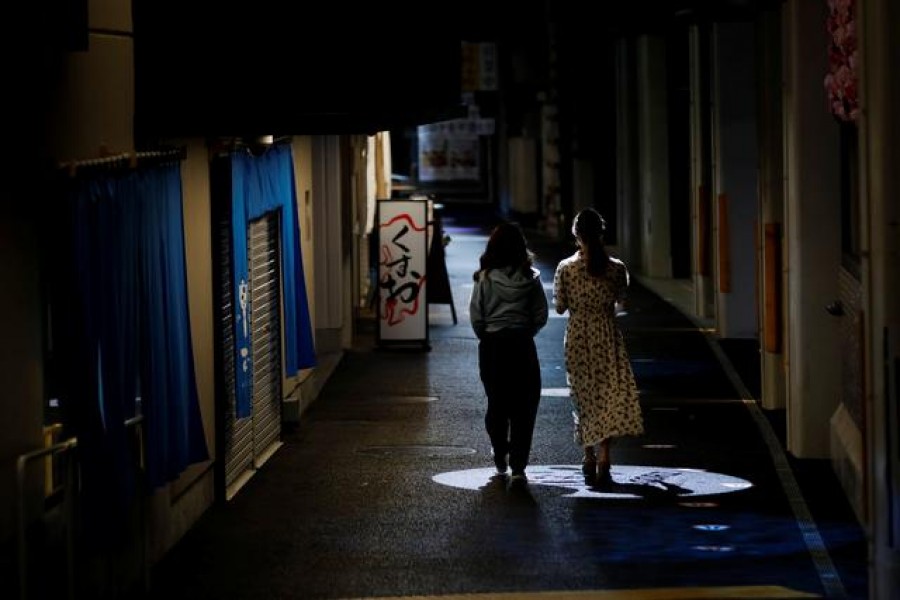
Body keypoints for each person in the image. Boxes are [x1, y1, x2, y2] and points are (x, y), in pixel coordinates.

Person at [552, 207, 644, 485]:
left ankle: (588, 455)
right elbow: (621, 299)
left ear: (576, 235)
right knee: (607, 395)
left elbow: (559, 306)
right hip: (607, 335)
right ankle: (605, 455)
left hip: (578, 336)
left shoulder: (566, 268)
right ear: (601, 234)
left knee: (583, 397)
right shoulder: (616, 268)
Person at [469, 222, 549, 485]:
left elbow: (476, 316)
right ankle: (518, 466)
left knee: (497, 402)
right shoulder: (531, 278)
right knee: (525, 406)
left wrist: (488, 335)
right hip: (522, 345)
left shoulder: (485, 278)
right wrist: (525, 331)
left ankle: (500, 451)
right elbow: (541, 315)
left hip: (492, 345)